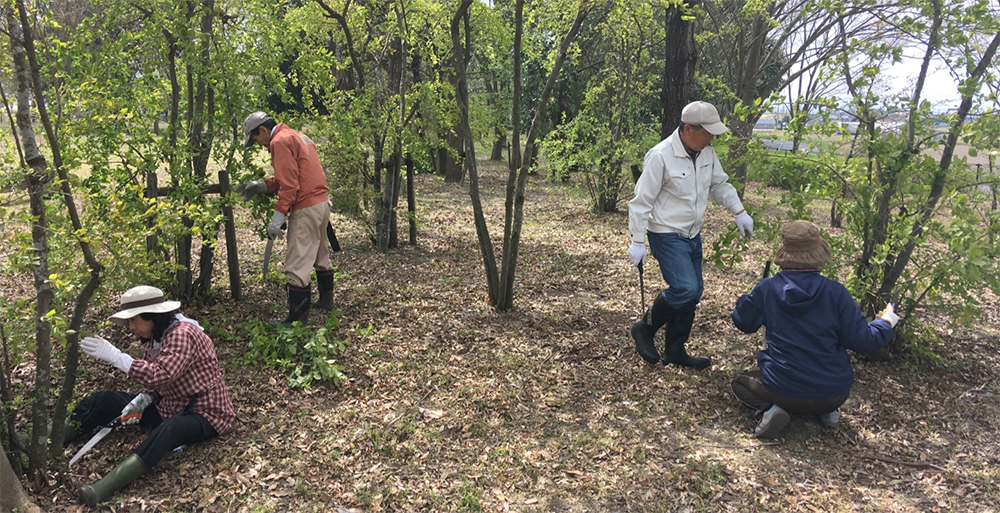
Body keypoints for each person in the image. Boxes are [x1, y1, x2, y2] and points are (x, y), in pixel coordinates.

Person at [730, 220, 898, 438]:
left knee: (740, 383)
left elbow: (743, 321)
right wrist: (886, 321)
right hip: (834, 393)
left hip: (783, 391)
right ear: (818, 255)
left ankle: (770, 410)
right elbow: (862, 340)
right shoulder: (836, 292)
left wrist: (751, 297)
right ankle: (828, 412)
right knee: (821, 386)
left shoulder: (768, 288)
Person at [74, 285, 236, 506]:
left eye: (134, 320)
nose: (131, 327)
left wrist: (117, 357)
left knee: (169, 429)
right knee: (104, 400)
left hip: (205, 413)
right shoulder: (155, 337)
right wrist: (143, 398)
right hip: (169, 406)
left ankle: (103, 487)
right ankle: (53, 437)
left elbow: (162, 374)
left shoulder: (183, 334)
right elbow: (156, 379)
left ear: (152, 316)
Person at [628, 101, 754, 369]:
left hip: (692, 234)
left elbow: (719, 184)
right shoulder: (660, 156)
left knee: (693, 294)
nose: (711, 138)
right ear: (687, 129)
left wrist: (739, 211)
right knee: (685, 287)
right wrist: (637, 240)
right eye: (707, 133)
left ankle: (675, 349)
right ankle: (644, 328)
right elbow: (641, 202)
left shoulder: (706, 154)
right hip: (665, 232)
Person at [236, 111, 335, 327]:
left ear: (262, 130)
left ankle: (297, 319)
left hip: (306, 207)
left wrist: (278, 216)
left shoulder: (278, 142)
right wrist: (262, 185)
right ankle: (327, 300)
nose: (260, 145)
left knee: (297, 263)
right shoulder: (298, 136)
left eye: (256, 139)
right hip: (321, 203)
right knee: (320, 253)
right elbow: (295, 176)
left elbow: (290, 185)